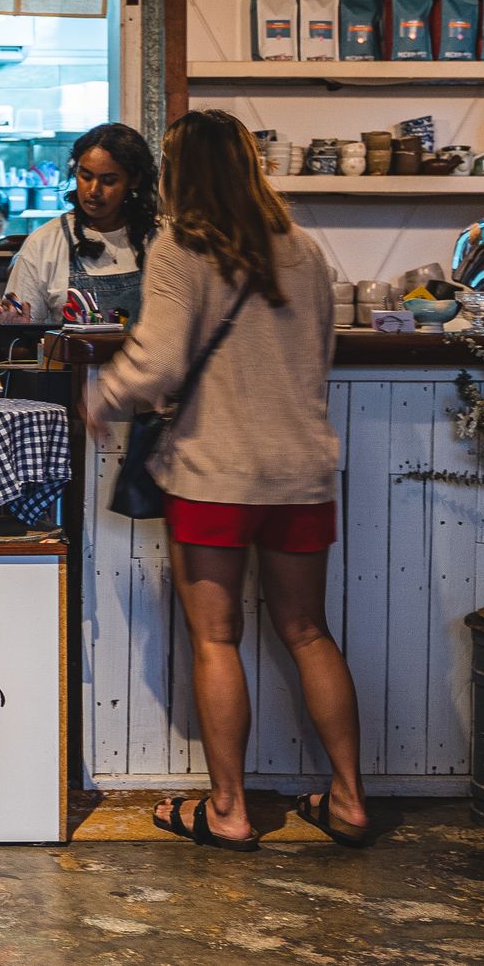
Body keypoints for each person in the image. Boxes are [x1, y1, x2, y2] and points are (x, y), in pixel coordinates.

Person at [89, 108, 367, 852]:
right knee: (309, 633)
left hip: (216, 471)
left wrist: (101, 397)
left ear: (178, 172)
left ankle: (230, 810)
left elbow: (158, 363)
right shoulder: (304, 250)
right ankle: (348, 800)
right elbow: (322, 350)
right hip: (302, 471)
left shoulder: (182, 247)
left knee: (216, 639)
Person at [0, 123, 158, 325]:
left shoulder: (161, 239)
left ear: (134, 180)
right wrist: (12, 328)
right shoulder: (44, 243)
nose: (94, 190)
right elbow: (20, 341)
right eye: (86, 176)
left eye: (108, 180)